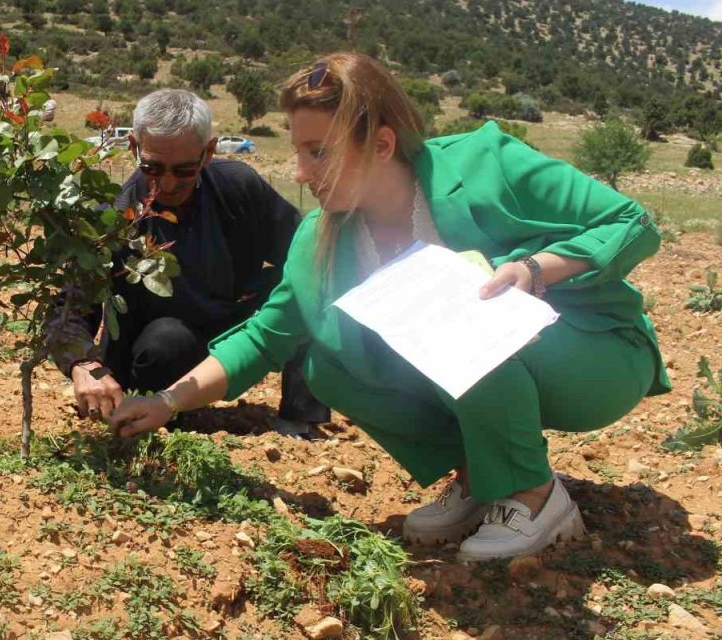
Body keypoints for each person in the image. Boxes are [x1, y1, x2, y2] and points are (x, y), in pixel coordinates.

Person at [109, 53, 669, 561]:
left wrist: (536, 269)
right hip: (494, 367)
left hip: (593, 355)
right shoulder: (323, 238)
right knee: (328, 364)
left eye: (318, 152)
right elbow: (264, 337)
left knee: (460, 320)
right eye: (298, 149)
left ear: (380, 144)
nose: (301, 173)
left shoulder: (485, 163)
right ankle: (482, 475)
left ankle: (535, 496)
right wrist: (166, 401)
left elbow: (632, 222)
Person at [54, 89, 329, 434]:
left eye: (184, 169)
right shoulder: (110, 220)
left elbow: (307, 255)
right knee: (167, 341)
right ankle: (167, 417)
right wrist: (84, 365)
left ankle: (301, 417)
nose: (167, 183)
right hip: (154, 350)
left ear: (208, 153)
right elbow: (68, 312)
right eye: (152, 167)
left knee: (312, 283)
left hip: (227, 323)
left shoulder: (238, 189)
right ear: (134, 148)